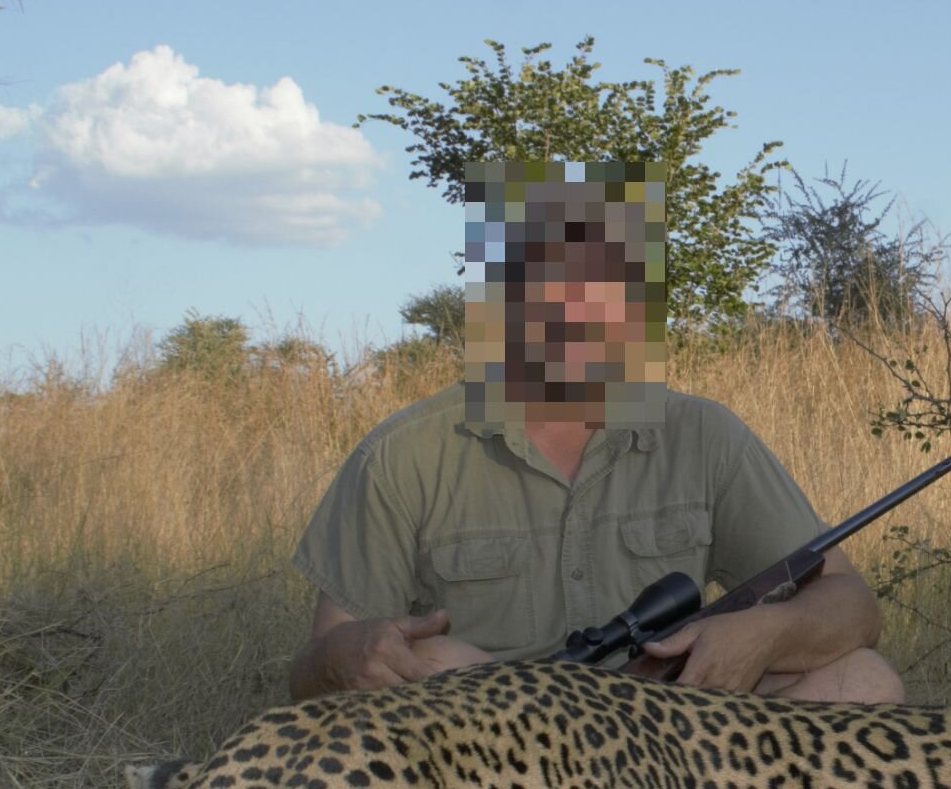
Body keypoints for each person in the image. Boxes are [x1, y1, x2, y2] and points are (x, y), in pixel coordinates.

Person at [288, 161, 904, 705]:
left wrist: (766, 635)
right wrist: (346, 657)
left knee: (864, 680)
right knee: (438, 664)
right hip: (490, 737)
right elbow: (316, 671)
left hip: (662, 729)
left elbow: (853, 607)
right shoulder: (401, 457)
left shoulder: (705, 434)